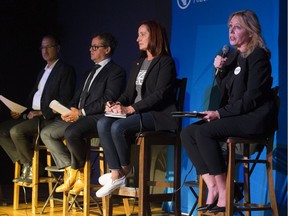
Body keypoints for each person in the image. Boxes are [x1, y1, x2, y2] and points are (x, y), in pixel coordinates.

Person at [180, 10, 278, 213]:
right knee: (188, 133)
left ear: (251, 32)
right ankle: (213, 185)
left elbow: (250, 99)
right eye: (230, 27)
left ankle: (225, 191)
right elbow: (227, 93)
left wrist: (219, 114)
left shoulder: (258, 57)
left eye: (237, 27)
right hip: (237, 115)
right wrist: (221, 71)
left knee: (204, 131)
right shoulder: (235, 57)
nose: (231, 31)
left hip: (253, 119)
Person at [95, 20, 178, 198]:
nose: (137, 38)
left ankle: (124, 170)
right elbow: (128, 93)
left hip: (156, 115)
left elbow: (159, 95)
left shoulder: (166, 62)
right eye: (138, 34)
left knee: (118, 127)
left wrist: (131, 108)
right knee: (103, 123)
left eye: (142, 34)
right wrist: (116, 103)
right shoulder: (138, 63)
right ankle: (117, 172)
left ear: (154, 35)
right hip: (137, 112)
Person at [40, 32, 126, 194]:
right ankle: (74, 171)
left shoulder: (116, 71)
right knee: (47, 133)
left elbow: (108, 98)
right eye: (90, 47)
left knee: (71, 132)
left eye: (95, 47)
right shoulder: (89, 71)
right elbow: (77, 96)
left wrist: (81, 112)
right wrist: (69, 110)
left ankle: (78, 170)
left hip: (97, 117)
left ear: (107, 49)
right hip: (78, 115)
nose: (90, 50)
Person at [0, 34, 76, 184]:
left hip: (47, 118)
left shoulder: (65, 69)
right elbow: (34, 97)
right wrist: (21, 111)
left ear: (57, 48)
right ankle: (29, 164)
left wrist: (41, 112)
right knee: (2, 131)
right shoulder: (42, 71)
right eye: (42, 47)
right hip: (32, 115)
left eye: (48, 47)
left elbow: (65, 99)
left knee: (16, 131)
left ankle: (29, 166)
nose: (45, 51)